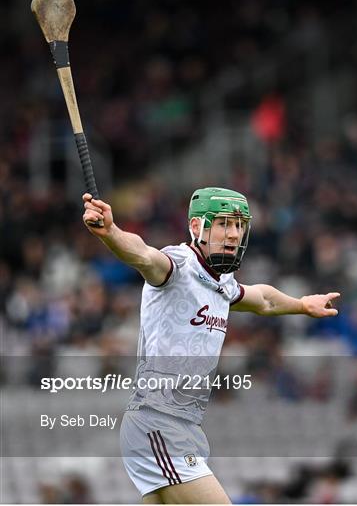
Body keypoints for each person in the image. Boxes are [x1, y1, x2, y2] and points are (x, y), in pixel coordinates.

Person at [82, 187, 340, 504]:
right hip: (158, 424)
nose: (233, 234)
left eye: (239, 225)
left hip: (181, 427)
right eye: (223, 224)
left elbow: (264, 300)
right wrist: (111, 233)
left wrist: (301, 304)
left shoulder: (222, 283)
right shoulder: (178, 264)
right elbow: (142, 254)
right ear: (196, 228)